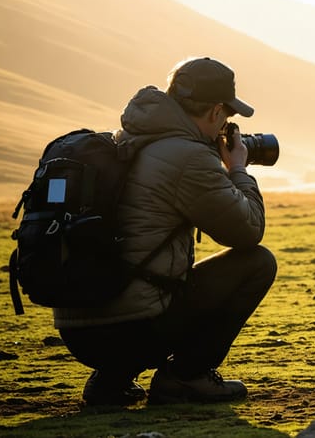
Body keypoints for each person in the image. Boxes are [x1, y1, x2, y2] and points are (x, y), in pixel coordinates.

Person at [54, 57, 277, 406]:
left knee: (145, 277)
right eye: (228, 118)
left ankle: (111, 381)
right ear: (217, 112)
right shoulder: (188, 158)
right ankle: (187, 377)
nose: (226, 126)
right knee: (258, 263)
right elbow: (248, 231)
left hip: (77, 332)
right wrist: (237, 168)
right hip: (131, 331)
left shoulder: (126, 139)